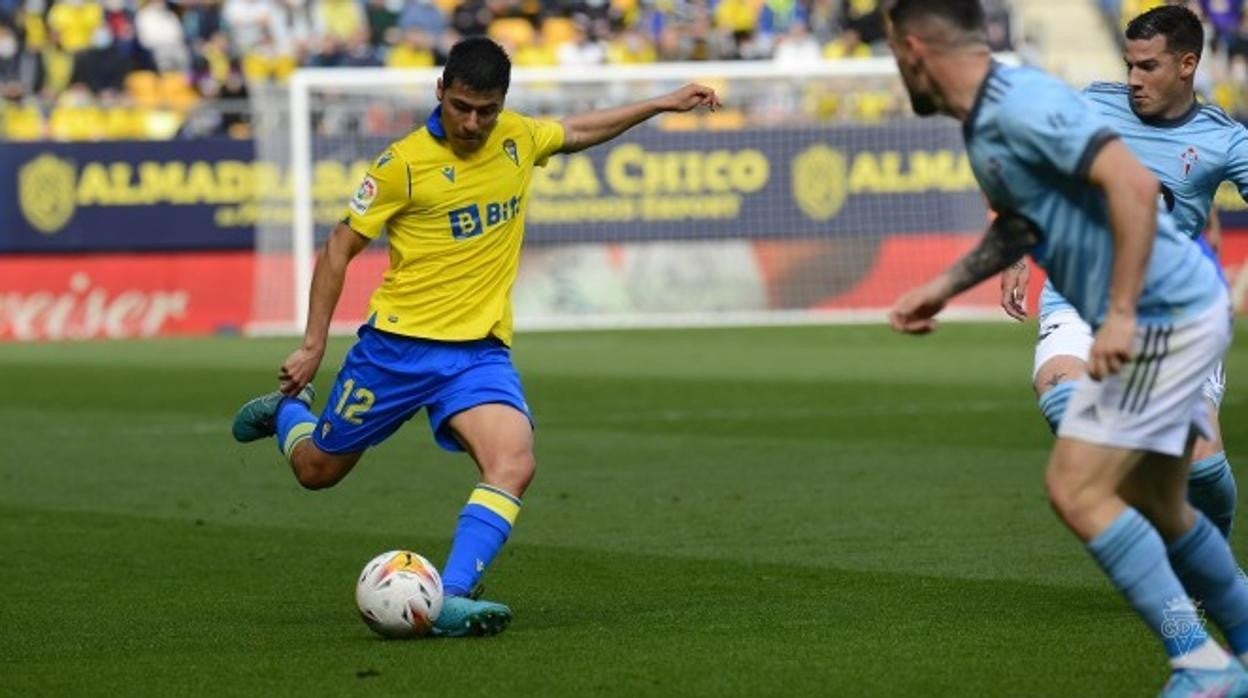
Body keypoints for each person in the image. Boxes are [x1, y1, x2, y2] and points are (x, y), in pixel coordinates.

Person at [232, 37, 720, 638]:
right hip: (395, 351)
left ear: (502, 104)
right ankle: (287, 413)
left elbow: (576, 130)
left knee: (513, 462)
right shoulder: (401, 164)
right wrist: (313, 345)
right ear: (440, 90)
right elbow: (339, 248)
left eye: (485, 110)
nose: (472, 122)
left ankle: (450, 596)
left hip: (478, 355)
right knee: (317, 471)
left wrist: (663, 103)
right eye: (462, 106)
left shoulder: (516, 139)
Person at [883, 0, 1248, 694]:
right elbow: (1023, 222)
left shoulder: (1024, 105)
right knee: (1163, 506)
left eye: (893, 55)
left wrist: (1117, 316)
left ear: (914, 49)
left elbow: (1135, 187)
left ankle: (1200, 666)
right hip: (1149, 311)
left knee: (1076, 488)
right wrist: (945, 284)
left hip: (1161, 316)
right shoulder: (992, 116)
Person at [1000, 5, 1248, 540]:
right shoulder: (1093, 105)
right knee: (1065, 399)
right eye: (1129, 65)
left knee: (1203, 471)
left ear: (1187, 65)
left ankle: (1215, 563)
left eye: (1148, 67)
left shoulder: (1223, 140)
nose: (1133, 80)